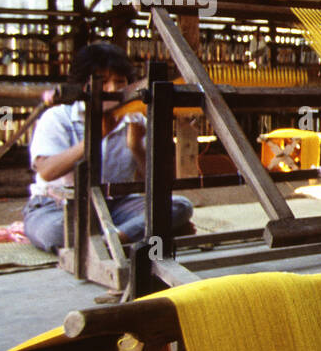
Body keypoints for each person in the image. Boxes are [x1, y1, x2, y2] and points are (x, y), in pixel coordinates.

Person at [23, 42, 194, 253]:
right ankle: (139, 233)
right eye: (102, 82)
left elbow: (152, 182)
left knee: (179, 206)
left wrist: (136, 147)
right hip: (58, 207)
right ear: (83, 86)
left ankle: (110, 240)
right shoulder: (58, 117)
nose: (112, 90)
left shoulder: (134, 120)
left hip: (115, 204)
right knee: (56, 231)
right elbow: (47, 171)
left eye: (119, 81)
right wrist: (96, 136)